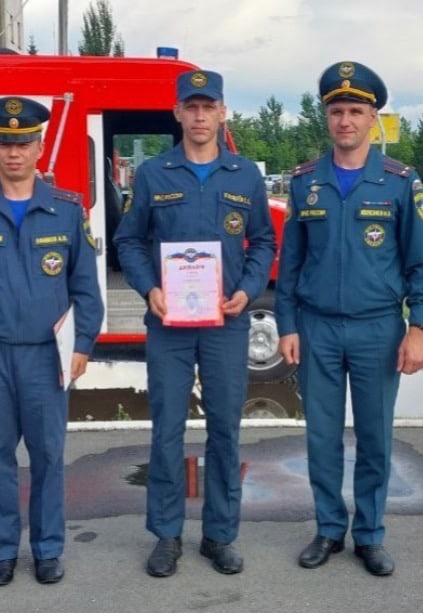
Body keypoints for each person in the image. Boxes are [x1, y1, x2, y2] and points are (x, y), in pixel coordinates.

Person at [275, 61, 423, 577]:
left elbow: (422, 262)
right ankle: (329, 529)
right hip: (317, 328)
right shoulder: (306, 182)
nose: (345, 120)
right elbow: (291, 264)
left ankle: (369, 534)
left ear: (373, 118)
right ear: (326, 118)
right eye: (336, 111)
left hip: (377, 328)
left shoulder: (399, 182)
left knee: (374, 437)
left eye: (355, 111)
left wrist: (418, 328)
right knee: (321, 437)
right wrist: (287, 326)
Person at [114, 70, 276, 577]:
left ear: (223, 113)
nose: (201, 116)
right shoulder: (154, 174)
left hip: (226, 322)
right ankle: (167, 534)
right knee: (167, 430)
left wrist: (248, 289)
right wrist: (150, 288)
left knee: (225, 430)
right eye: (192, 107)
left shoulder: (244, 175)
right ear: (178, 113)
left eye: (209, 107)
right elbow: (128, 241)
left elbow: (263, 241)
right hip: (170, 325)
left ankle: (219, 535)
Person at [0, 96, 104, 587]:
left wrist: (83, 346)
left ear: (39, 148)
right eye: (5, 143)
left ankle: (48, 549)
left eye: (24, 143)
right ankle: (3, 551)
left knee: (49, 456)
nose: (14, 152)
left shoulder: (66, 210)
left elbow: (85, 287)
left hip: (46, 356)